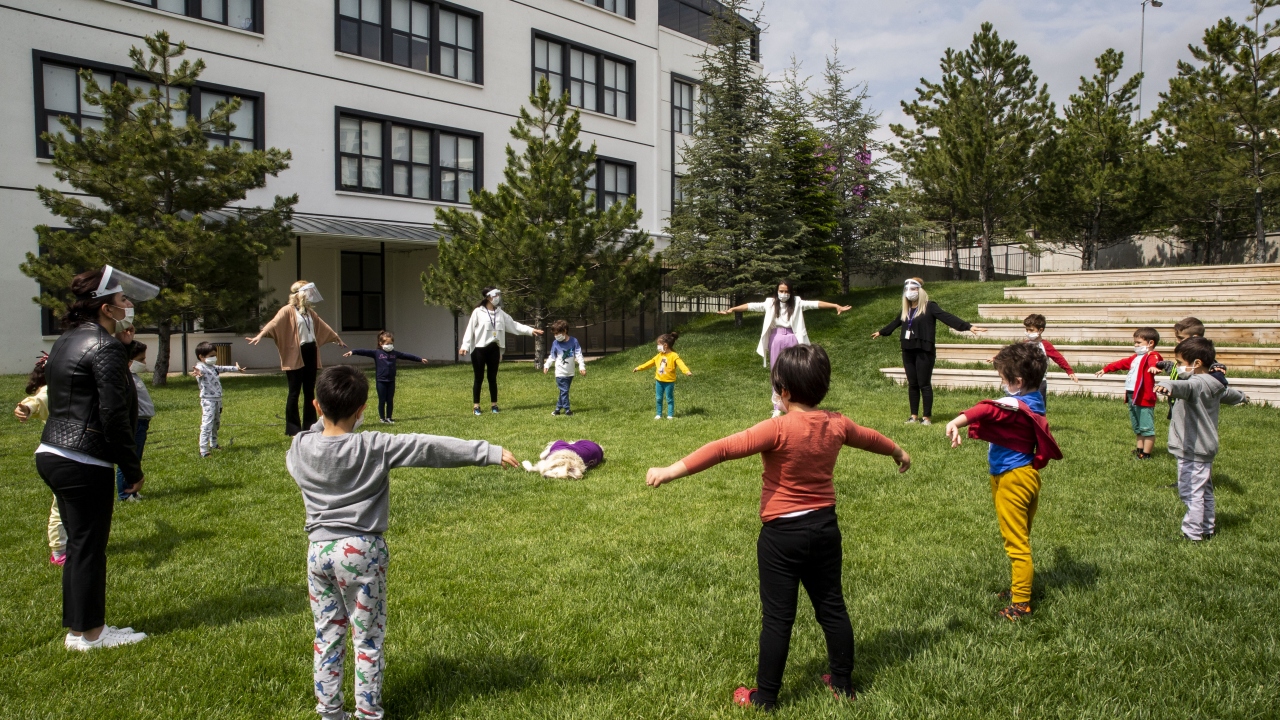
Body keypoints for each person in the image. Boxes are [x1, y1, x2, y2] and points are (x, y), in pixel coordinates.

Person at [645, 345, 911, 711]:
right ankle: (843, 685)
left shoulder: (778, 428)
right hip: (824, 529)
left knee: (778, 619)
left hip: (781, 537)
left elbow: (723, 448)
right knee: (832, 607)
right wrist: (899, 453)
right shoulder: (838, 423)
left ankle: (766, 698)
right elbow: (870, 438)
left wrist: (669, 471)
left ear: (784, 391)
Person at [287, 365, 518, 720]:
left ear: (316, 406)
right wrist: (485, 451)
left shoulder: (300, 448)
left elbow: (320, 433)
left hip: (318, 553)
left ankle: (330, 713)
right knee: (367, 639)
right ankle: (367, 714)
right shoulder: (373, 445)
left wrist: (323, 417)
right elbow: (427, 447)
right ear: (363, 408)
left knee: (327, 635)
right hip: (361, 552)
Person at [37, 265, 156, 650]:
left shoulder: (67, 339)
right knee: (89, 548)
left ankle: (79, 631)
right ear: (106, 308)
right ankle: (92, 634)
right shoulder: (105, 347)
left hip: (52, 452)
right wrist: (131, 468)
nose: (128, 305)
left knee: (78, 547)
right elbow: (114, 415)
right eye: (123, 300)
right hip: (83, 460)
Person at [945, 342, 1062, 621]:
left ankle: (1021, 604)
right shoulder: (1034, 400)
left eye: (1004, 379)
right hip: (1024, 477)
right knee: (1020, 536)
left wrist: (955, 422)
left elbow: (986, 410)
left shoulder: (1013, 403)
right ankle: (1018, 588)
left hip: (1013, 479)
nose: (1002, 384)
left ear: (1018, 382)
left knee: (1016, 543)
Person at [1155, 337, 1249, 542]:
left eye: (1180, 363)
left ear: (1197, 363)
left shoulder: (1196, 383)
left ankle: (1192, 534)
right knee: (1204, 490)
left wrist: (1166, 384)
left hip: (1192, 447)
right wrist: (1242, 397)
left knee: (1190, 492)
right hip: (1205, 447)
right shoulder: (1214, 383)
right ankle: (1207, 528)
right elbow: (1229, 394)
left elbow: (1184, 388)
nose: (1178, 367)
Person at [719, 280, 852, 416]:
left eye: (786, 291)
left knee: (796, 370)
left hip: (793, 337)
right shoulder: (770, 303)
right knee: (776, 371)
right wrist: (733, 309)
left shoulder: (797, 302)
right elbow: (751, 306)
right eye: (781, 291)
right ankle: (777, 407)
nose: (783, 294)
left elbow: (816, 304)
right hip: (776, 338)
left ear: (791, 292)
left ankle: (796, 404)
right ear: (777, 291)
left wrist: (835, 305)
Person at [872, 278, 984, 425]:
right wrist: (881, 332)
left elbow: (947, 317)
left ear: (920, 290)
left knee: (924, 383)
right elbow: (895, 323)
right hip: (908, 349)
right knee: (913, 384)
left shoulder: (929, 307)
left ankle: (926, 418)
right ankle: (913, 416)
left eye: (913, 289)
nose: (910, 292)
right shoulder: (906, 310)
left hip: (924, 350)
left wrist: (967, 326)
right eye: (908, 289)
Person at [247, 280, 346, 436]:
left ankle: (310, 426)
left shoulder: (310, 312)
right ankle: (293, 428)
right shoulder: (287, 310)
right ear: (300, 293)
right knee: (294, 392)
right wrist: (260, 335)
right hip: (296, 353)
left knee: (309, 391)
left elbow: (323, 326)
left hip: (311, 351)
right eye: (307, 291)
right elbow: (274, 323)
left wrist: (337, 338)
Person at [15, 353, 67, 566]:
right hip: (60, 455)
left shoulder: (65, 389)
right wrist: (25, 407)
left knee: (66, 504)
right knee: (60, 504)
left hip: (64, 453)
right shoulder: (51, 390)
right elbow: (38, 400)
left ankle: (69, 544)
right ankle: (59, 551)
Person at [458, 287, 543, 416]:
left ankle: (494, 405)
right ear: (488, 297)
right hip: (479, 349)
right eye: (495, 295)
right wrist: (465, 346)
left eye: (498, 295)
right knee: (478, 378)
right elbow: (470, 330)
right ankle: (476, 406)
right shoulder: (478, 312)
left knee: (492, 378)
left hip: (494, 348)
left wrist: (530, 330)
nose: (497, 297)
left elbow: (514, 325)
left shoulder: (500, 313)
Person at [1095, 327, 1163, 459]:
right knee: (1137, 424)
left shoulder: (1151, 355)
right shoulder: (1136, 357)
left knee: (1146, 426)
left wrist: (1155, 367)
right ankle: (1140, 449)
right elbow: (1120, 363)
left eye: (1138, 343)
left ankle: (1146, 454)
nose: (1135, 345)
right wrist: (1106, 369)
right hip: (1133, 395)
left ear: (1151, 343)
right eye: (1135, 343)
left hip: (1144, 397)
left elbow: (1154, 361)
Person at [342, 330, 428, 424]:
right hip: (381, 381)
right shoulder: (377, 353)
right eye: (387, 343)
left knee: (390, 400)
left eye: (391, 343)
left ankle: (389, 418)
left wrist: (420, 359)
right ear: (381, 343)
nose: (390, 345)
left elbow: (406, 355)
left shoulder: (394, 353)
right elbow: (363, 351)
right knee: (382, 400)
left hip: (391, 380)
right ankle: (382, 418)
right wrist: (352, 352)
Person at [1155, 317, 1229, 419]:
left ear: (1195, 337)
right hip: (1178, 406)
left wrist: (1218, 371)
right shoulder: (1185, 356)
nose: (1177, 341)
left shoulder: (1204, 359)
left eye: (1181, 338)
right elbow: (1181, 375)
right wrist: (1168, 366)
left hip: (1195, 411)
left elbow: (1218, 383)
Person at [115, 341, 155, 500]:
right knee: (129, 459)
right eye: (141, 359)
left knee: (136, 458)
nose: (144, 363)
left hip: (142, 422)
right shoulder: (124, 379)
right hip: (135, 422)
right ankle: (125, 494)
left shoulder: (133, 377)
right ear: (129, 361)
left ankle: (133, 491)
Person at [192, 342, 243, 457]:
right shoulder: (201, 367)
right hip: (208, 400)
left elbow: (223, 367)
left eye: (215, 355)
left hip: (217, 400)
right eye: (211, 356)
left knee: (216, 423)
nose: (214, 358)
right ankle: (203, 450)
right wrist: (198, 374)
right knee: (207, 424)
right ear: (201, 356)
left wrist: (236, 368)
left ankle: (214, 444)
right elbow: (198, 372)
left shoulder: (213, 367)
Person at [633, 332, 692, 420]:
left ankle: (670, 415)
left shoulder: (674, 355)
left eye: (659, 344)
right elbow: (650, 363)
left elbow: (681, 364)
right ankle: (658, 414)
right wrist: (639, 368)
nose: (658, 347)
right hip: (659, 381)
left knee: (669, 399)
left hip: (669, 382)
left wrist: (686, 371)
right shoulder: (659, 356)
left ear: (665, 345)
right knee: (658, 398)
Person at [543, 319, 586, 416]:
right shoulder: (555, 343)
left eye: (557, 333)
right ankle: (567, 410)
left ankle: (557, 409)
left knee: (563, 392)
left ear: (565, 331)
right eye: (554, 334)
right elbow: (552, 356)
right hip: (560, 372)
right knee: (564, 391)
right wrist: (547, 365)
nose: (556, 336)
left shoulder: (574, 341)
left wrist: (582, 367)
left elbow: (579, 355)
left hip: (570, 372)